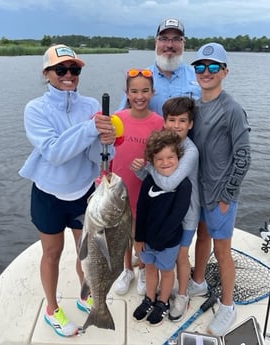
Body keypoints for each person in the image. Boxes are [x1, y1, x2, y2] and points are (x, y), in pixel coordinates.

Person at [18, 44, 116, 337]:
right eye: (61, 69)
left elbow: (95, 153)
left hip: (84, 191)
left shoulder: (90, 106)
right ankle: (51, 309)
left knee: (86, 253)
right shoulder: (35, 109)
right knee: (52, 253)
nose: (69, 75)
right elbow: (54, 152)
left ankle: (85, 296)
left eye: (74, 69)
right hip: (48, 193)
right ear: (47, 74)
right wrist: (91, 130)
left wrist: (107, 140)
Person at [188, 42, 251, 336]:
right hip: (197, 191)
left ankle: (228, 304)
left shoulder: (233, 109)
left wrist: (228, 195)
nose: (206, 72)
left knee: (222, 250)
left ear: (225, 72)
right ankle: (197, 281)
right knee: (201, 237)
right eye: (200, 67)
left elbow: (244, 156)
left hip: (221, 195)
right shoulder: (193, 105)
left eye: (213, 67)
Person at [131, 96, 199, 322]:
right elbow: (147, 193)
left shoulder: (189, 151)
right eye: (171, 120)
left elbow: (169, 182)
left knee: (180, 256)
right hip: (155, 228)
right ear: (164, 121)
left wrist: (150, 165)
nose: (176, 125)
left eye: (182, 121)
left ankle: (179, 296)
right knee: (153, 266)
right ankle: (152, 297)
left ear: (190, 124)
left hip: (184, 218)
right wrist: (141, 168)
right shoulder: (163, 152)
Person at [110, 69, 164, 296]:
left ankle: (142, 268)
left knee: (139, 231)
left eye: (144, 91)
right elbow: (106, 151)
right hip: (120, 186)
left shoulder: (159, 122)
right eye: (134, 91)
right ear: (127, 93)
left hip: (145, 187)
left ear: (153, 92)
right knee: (123, 230)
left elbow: (164, 156)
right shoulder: (117, 118)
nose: (139, 96)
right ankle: (126, 270)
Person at [117, 18, 200, 115]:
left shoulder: (199, 77)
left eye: (176, 39)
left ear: (183, 43)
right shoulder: (140, 78)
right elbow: (121, 115)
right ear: (156, 42)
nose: (169, 45)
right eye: (164, 39)